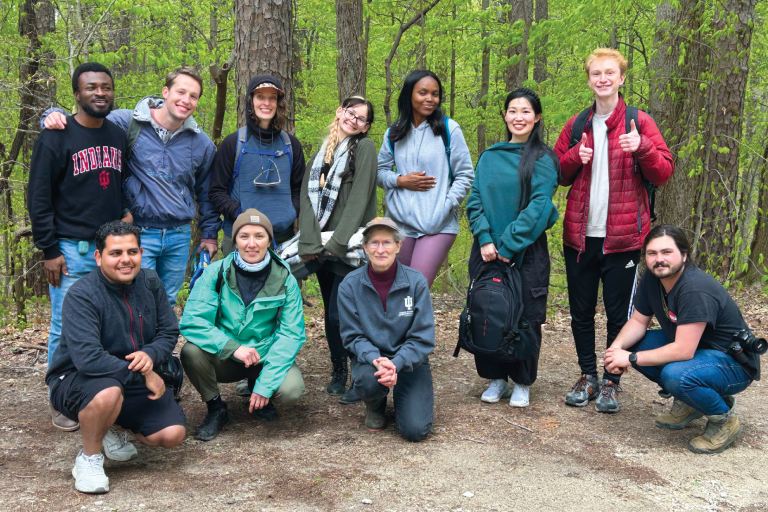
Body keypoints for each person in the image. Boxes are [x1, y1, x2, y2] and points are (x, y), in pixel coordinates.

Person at [553, 48, 674, 412]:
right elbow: (559, 174)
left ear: (621, 78)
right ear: (589, 79)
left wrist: (643, 148)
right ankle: (588, 375)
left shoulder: (639, 122)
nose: (602, 79)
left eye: (610, 73)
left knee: (618, 313)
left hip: (622, 238)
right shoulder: (577, 124)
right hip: (580, 236)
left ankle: (611, 380)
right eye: (596, 73)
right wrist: (576, 156)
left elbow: (663, 173)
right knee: (581, 311)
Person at [43, 66, 219, 306]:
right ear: (165, 92)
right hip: (139, 232)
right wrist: (52, 114)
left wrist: (209, 235)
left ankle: (157, 345)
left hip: (179, 234)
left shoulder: (201, 144)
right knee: (135, 301)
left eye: (193, 96)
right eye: (181, 92)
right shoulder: (128, 123)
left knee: (166, 303)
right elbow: (87, 122)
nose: (186, 100)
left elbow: (206, 193)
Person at [46, 221, 186, 494]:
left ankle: (109, 426)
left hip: (129, 376)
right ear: (99, 257)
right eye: (116, 253)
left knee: (172, 435)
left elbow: (168, 330)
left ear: (141, 253)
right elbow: (88, 358)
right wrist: (146, 372)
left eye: (132, 252)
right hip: (77, 378)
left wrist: (150, 354)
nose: (125, 260)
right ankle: (89, 458)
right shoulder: (82, 294)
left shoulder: (150, 281)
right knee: (108, 392)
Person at [28, 62, 130, 431]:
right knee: (64, 326)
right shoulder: (56, 136)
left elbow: (122, 182)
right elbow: (38, 196)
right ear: (77, 93)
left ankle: (106, 390)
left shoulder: (118, 135)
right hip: (71, 250)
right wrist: (49, 249)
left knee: (111, 322)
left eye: (105, 87)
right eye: (91, 87)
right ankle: (61, 394)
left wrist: (127, 214)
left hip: (111, 249)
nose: (99, 93)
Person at [603, 225, 760, 454]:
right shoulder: (652, 279)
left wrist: (631, 358)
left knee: (676, 374)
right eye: (652, 253)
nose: (659, 259)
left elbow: (683, 351)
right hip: (699, 354)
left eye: (667, 252)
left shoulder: (695, 288)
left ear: (684, 255)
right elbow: (638, 322)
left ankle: (723, 419)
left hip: (732, 364)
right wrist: (615, 351)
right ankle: (691, 402)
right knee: (635, 343)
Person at [466, 88, 559, 408]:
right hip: (487, 250)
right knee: (488, 311)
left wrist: (508, 244)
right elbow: (475, 200)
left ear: (537, 118)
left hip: (526, 252)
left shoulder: (544, 159)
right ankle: (496, 377)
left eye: (525, 112)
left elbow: (538, 207)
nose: (518, 117)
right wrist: (486, 239)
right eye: (512, 111)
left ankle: (522, 380)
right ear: (505, 115)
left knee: (525, 316)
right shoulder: (490, 156)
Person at [179, 209, 306, 441]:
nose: (251, 244)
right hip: (226, 356)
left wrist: (265, 386)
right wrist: (232, 347)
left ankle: (257, 388)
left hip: (264, 356)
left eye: (259, 236)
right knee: (191, 351)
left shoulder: (285, 278)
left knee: (292, 390)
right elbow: (193, 321)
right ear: (235, 240)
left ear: (269, 240)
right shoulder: (216, 273)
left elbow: (292, 334)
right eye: (244, 236)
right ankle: (216, 408)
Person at [297, 95, 377, 397]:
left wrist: (338, 241)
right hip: (320, 247)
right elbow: (306, 197)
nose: (353, 120)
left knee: (343, 314)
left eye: (361, 118)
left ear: (366, 126)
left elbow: (359, 198)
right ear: (339, 111)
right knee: (330, 310)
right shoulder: (322, 153)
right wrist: (310, 240)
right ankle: (338, 370)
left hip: (347, 246)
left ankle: (359, 372)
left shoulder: (365, 149)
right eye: (349, 112)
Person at [337, 217, 435, 442]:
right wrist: (377, 359)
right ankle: (375, 404)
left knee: (415, 431)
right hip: (371, 361)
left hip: (410, 361)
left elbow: (423, 337)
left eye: (387, 242)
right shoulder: (349, 286)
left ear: (398, 246)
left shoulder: (416, 282)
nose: (380, 249)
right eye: (374, 243)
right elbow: (352, 336)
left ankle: (405, 397)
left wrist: (397, 363)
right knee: (369, 381)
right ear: (364, 247)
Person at [377, 69, 474, 287]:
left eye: (435, 94)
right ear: (410, 94)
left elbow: (465, 175)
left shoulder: (449, 130)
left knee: (416, 288)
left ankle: (417, 322)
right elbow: (380, 171)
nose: (430, 99)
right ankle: (403, 323)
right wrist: (400, 180)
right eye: (423, 93)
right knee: (396, 290)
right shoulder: (394, 133)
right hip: (400, 224)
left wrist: (444, 207)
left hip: (437, 225)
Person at [209, 75, 306, 253]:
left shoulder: (291, 146)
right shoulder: (233, 143)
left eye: (272, 98)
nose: (266, 103)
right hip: (241, 239)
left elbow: (300, 189)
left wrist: (290, 212)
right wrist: (241, 214)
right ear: (251, 101)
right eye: (260, 97)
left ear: (279, 103)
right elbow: (216, 191)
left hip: (282, 239)